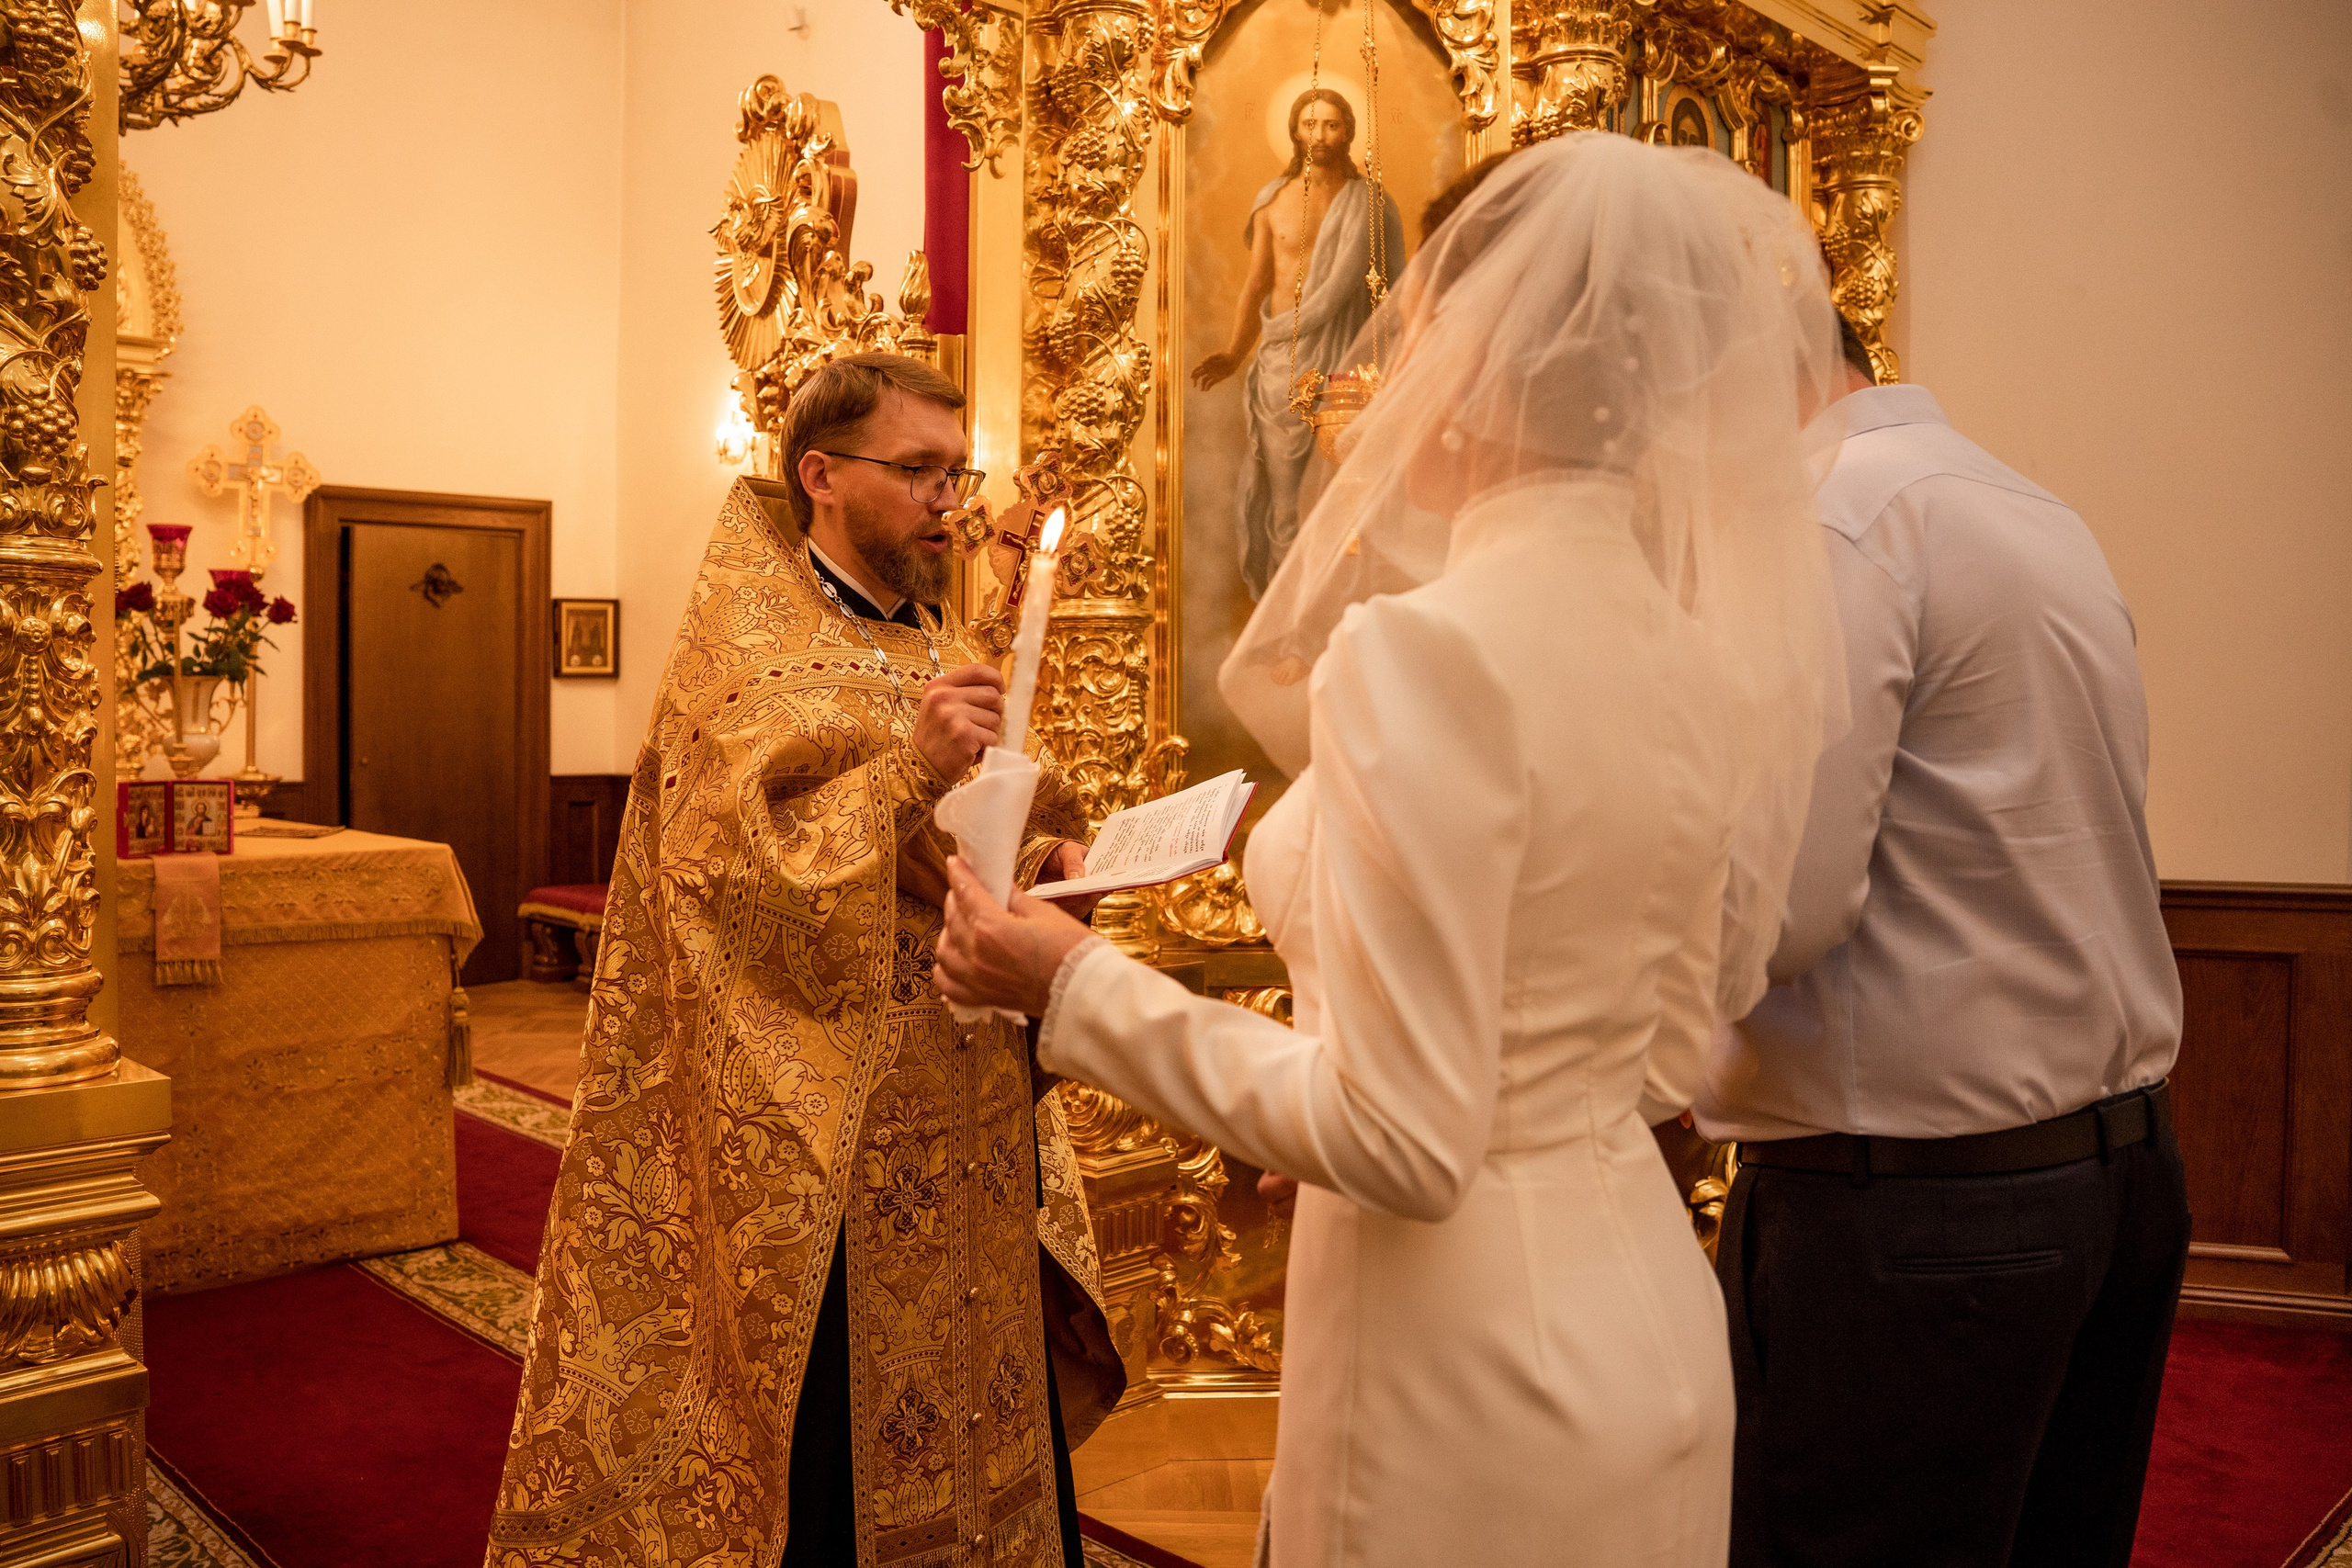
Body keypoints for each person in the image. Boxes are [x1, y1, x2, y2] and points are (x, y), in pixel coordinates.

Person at [936, 134, 1848, 1567]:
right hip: (1652, 1314)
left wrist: (1072, 986)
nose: (1381, 366)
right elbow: (1653, 1035)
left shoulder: (1426, 651)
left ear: (1483, 365)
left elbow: (1405, 1139)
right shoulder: (1696, 658)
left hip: (1466, 1362)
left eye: (1413, 324)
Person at [487, 353, 1125, 1568]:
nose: (950, 499)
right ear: (820, 474)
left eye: (957, 471)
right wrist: (907, 776)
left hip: (971, 1110)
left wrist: (1056, 857)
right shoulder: (742, 639)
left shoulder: (937, 638)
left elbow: (981, 823)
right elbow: (727, 862)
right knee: (828, 1434)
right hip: (823, 1133)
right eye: (919, 471)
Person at [1693, 320, 2188, 1568]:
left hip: (1920, 1213)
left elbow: (1783, 912)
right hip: (2116, 1171)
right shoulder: (2022, 501)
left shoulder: (1829, 519)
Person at [1193, 87, 1406, 599]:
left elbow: (1400, 293)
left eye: (1332, 125)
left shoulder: (1372, 203)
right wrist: (1234, 351)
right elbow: (1257, 285)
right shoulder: (1273, 201)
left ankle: (1334, 616)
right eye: (1310, 124)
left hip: (1351, 364)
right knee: (1287, 502)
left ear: (1349, 132)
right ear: (1293, 130)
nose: (1320, 135)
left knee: (1342, 495)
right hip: (1281, 363)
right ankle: (1286, 622)